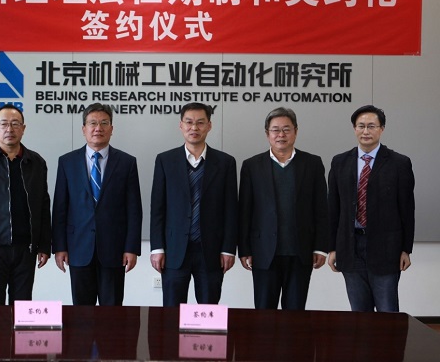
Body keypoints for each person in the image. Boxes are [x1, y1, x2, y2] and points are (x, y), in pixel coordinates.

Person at [238, 107, 328, 310]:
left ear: (296, 131)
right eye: (275, 130)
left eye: (286, 129)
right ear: (267, 134)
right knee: (263, 313)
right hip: (263, 252)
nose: (281, 134)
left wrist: (320, 247)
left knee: (295, 314)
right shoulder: (252, 166)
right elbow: (244, 211)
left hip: (300, 252)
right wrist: (244, 249)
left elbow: (321, 208)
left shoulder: (312, 163)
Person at [52, 103, 142, 305]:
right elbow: (60, 208)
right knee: (81, 312)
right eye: (92, 123)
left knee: (112, 312)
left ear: (111, 128)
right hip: (78, 248)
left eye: (104, 123)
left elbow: (134, 210)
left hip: (114, 249)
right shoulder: (67, 162)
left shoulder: (127, 162)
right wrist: (59, 247)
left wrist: (131, 248)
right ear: (84, 129)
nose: (98, 128)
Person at [328, 105, 415, 312]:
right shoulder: (340, 162)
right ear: (354, 129)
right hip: (350, 246)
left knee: (387, 312)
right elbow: (333, 208)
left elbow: (407, 209)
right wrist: (332, 248)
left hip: (386, 248)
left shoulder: (399, 163)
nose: (365, 131)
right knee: (359, 314)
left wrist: (406, 249)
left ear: (381, 129)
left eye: (371, 126)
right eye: (361, 126)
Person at [150, 102, 238, 307]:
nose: (194, 128)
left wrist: (228, 249)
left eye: (200, 123)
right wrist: (157, 248)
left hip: (211, 251)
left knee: (208, 311)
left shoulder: (225, 163)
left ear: (209, 126)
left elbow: (231, 210)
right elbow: (158, 208)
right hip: (174, 250)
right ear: (181, 125)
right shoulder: (165, 160)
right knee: (171, 312)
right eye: (189, 122)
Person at [0, 103, 52, 305]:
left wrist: (44, 245)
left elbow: (43, 206)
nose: (9, 129)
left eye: (15, 124)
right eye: (3, 124)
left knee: (22, 309)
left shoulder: (36, 162)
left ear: (23, 128)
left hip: (26, 250)